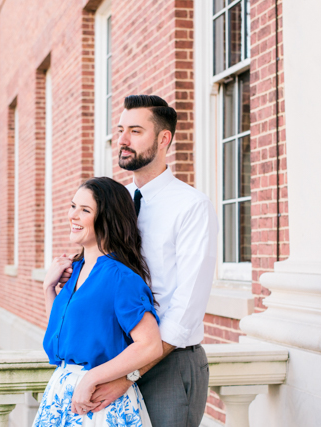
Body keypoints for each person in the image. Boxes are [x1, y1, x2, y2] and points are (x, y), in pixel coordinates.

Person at [66, 95, 218, 427]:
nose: (121, 140)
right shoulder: (113, 200)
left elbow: (186, 310)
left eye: (135, 131)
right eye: (120, 130)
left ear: (164, 139)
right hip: (114, 360)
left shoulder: (191, 206)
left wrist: (130, 374)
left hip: (167, 365)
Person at [33, 177, 163, 427]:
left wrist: (91, 378)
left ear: (107, 219)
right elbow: (62, 334)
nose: (73, 215)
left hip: (99, 401)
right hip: (61, 395)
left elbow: (150, 345)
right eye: (73, 206)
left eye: (85, 210)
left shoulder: (121, 277)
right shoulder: (76, 270)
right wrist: (48, 288)